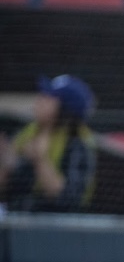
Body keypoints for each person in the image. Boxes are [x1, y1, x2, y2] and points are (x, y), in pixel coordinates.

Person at [0, 75, 97, 213]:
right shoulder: (30, 131)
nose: (39, 100)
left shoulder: (78, 142)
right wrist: (6, 161)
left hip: (56, 221)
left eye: (48, 97)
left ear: (64, 108)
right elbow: (10, 188)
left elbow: (69, 199)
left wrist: (40, 160)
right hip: (17, 214)